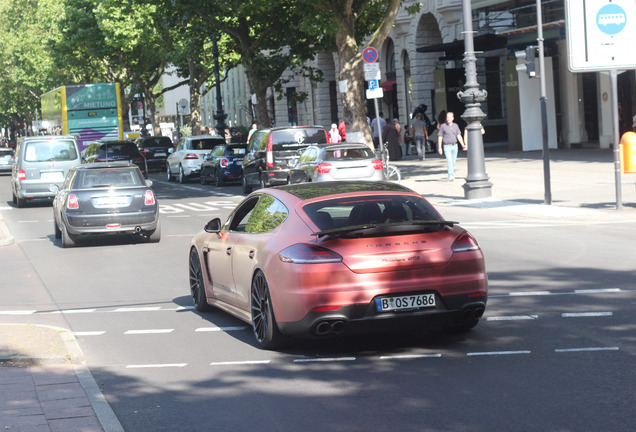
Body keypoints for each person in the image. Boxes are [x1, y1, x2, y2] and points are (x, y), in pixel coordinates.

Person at [437, 112, 466, 181]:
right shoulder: (443, 126)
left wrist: (463, 144)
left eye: (449, 117)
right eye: (447, 117)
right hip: (447, 146)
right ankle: (451, 175)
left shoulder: (455, 126)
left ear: (453, 118)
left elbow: (458, 135)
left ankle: (451, 173)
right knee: (449, 161)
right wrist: (439, 147)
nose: (448, 119)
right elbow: (440, 137)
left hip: (454, 146)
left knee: (453, 162)